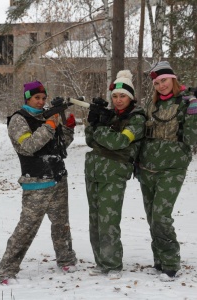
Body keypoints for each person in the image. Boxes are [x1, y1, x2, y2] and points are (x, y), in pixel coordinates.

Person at [0, 80, 77, 285]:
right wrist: (50, 125)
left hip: (58, 178)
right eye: (36, 98)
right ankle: (6, 269)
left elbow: (60, 145)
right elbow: (29, 146)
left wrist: (67, 128)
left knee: (61, 224)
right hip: (36, 182)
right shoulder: (18, 119)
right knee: (27, 228)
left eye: (43, 98)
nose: (41, 102)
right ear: (27, 98)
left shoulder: (47, 116)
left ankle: (66, 258)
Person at [138, 61, 197, 282]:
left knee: (161, 216)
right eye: (156, 82)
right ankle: (160, 259)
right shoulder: (151, 104)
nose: (160, 85)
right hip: (147, 167)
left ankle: (171, 262)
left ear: (172, 78)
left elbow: (192, 139)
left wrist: (193, 112)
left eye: (163, 80)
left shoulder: (186, 101)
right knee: (152, 217)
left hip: (172, 167)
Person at [84, 70, 145, 279]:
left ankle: (113, 264)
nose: (118, 100)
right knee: (95, 220)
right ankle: (101, 262)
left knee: (108, 219)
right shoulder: (109, 116)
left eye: (123, 96)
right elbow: (90, 141)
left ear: (131, 97)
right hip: (94, 171)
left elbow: (119, 142)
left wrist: (100, 129)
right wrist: (92, 123)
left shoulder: (137, 118)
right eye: (115, 96)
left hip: (114, 172)